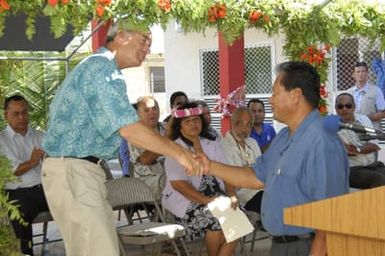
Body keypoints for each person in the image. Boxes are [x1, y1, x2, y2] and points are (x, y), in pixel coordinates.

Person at [41, 21, 200, 256]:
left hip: (78, 172)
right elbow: (128, 128)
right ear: (122, 36)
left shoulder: (101, 68)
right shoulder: (101, 68)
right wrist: (180, 153)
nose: (148, 48)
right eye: (144, 40)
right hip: (73, 171)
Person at [195, 62, 350, 256]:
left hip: (307, 246)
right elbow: (255, 176)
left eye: (275, 93)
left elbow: (329, 219)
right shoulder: (285, 136)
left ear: (295, 96)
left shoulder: (323, 141)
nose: (270, 99)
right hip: (281, 245)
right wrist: (209, 166)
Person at [162, 101, 238, 256]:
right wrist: (207, 201)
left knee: (238, 220)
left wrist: (232, 195)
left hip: (218, 197)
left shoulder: (211, 143)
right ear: (180, 126)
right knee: (217, 222)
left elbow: (226, 173)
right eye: (187, 121)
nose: (193, 124)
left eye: (196, 120)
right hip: (189, 202)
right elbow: (178, 185)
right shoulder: (175, 148)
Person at [0, 95, 49, 256]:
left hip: (45, 188)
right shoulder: (1, 141)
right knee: (19, 211)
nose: (22, 117)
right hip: (18, 192)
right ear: (5, 115)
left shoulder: (40, 136)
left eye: (24, 112)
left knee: (73, 201)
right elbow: (10, 173)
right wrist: (33, 161)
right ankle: (25, 253)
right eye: (16, 114)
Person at [335, 93, 385, 188]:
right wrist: (360, 149)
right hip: (350, 170)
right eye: (340, 106)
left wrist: (358, 149)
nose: (344, 109)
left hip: (372, 165)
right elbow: (346, 151)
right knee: (380, 180)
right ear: (336, 109)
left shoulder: (364, 120)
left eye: (348, 106)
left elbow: (374, 145)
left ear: (354, 107)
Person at [220, 107, 263, 213]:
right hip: (245, 195)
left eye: (248, 125)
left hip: (263, 188)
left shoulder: (252, 142)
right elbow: (235, 181)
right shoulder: (223, 146)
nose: (244, 129)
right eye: (239, 124)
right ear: (232, 123)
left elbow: (262, 169)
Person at [128, 96, 167, 195]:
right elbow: (146, 160)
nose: (152, 113)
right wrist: (167, 139)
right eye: (146, 110)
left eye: (154, 109)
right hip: (146, 180)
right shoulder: (135, 134)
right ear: (138, 114)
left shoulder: (166, 127)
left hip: (169, 175)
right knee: (173, 183)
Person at [347, 61, 385, 131]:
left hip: (372, 131)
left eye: (363, 71)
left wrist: (367, 118)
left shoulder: (376, 90)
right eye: (358, 72)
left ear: (367, 73)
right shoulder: (348, 93)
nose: (361, 74)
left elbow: (383, 113)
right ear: (353, 75)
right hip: (354, 132)